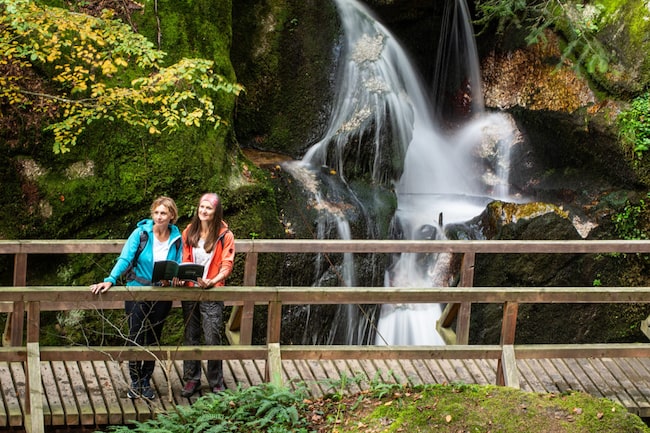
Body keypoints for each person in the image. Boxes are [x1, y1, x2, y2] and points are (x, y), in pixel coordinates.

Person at [90, 196, 182, 400]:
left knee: (154, 337)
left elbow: (179, 262)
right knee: (135, 335)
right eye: (156, 212)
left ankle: (146, 381)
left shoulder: (177, 237)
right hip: (137, 289)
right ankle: (134, 381)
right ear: (152, 214)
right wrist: (110, 279)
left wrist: (176, 278)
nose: (159, 216)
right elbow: (125, 258)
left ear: (171, 216)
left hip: (162, 292)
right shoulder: (140, 234)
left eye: (163, 213)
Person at [175, 193, 235, 397]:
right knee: (191, 335)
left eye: (208, 208)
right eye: (202, 207)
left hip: (212, 289)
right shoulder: (188, 232)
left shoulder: (225, 235)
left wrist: (214, 280)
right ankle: (192, 380)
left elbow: (227, 264)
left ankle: (216, 380)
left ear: (216, 212)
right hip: (190, 289)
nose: (204, 211)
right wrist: (182, 277)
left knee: (213, 335)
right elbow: (184, 258)